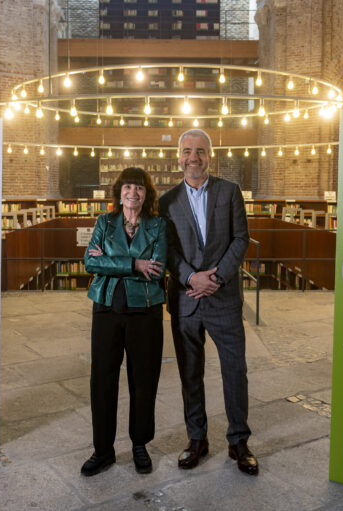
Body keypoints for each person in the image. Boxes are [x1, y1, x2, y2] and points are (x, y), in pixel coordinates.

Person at [158, 129, 258, 475]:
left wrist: (215, 278)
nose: (193, 157)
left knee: (235, 371)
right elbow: (166, 249)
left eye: (200, 151)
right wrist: (190, 277)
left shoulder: (230, 192)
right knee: (190, 374)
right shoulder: (165, 201)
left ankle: (239, 441)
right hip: (186, 301)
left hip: (224, 298)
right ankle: (196, 439)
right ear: (179, 157)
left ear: (209, 156)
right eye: (187, 151)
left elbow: (241, 238)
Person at [81, 166, 167, 477]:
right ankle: (103, 451)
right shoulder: (105, 222)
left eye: (140, 188)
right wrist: (134, 263)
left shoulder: (158, 226)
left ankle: (140, 445)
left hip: (145, 310)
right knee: (102, 381)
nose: (133, 193)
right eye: (128, 187)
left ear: (147, 194)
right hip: (106, 308)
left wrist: (111, 263)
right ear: (120, 192)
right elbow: (90, 261)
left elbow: (157, 269)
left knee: (144, 380)